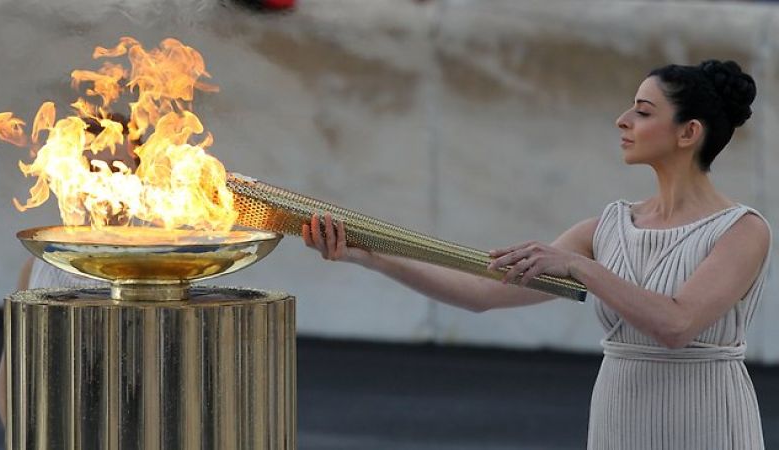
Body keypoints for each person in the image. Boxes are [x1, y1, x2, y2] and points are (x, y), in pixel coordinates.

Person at [302, 60, 771, 449]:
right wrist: (368, 255)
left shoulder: (742, 231)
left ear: (688, 132)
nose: (622, 120)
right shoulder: (605, 229)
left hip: (707, 420)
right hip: (619, 418)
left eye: (643, 111)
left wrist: (580, 267)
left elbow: (676, 325)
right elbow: (482, 293)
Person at [0, 114, 138, 425]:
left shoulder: (158, 268)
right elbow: (8, 378)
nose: (105, 183)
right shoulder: (37, 266)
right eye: (92, 170)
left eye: (118, 170)